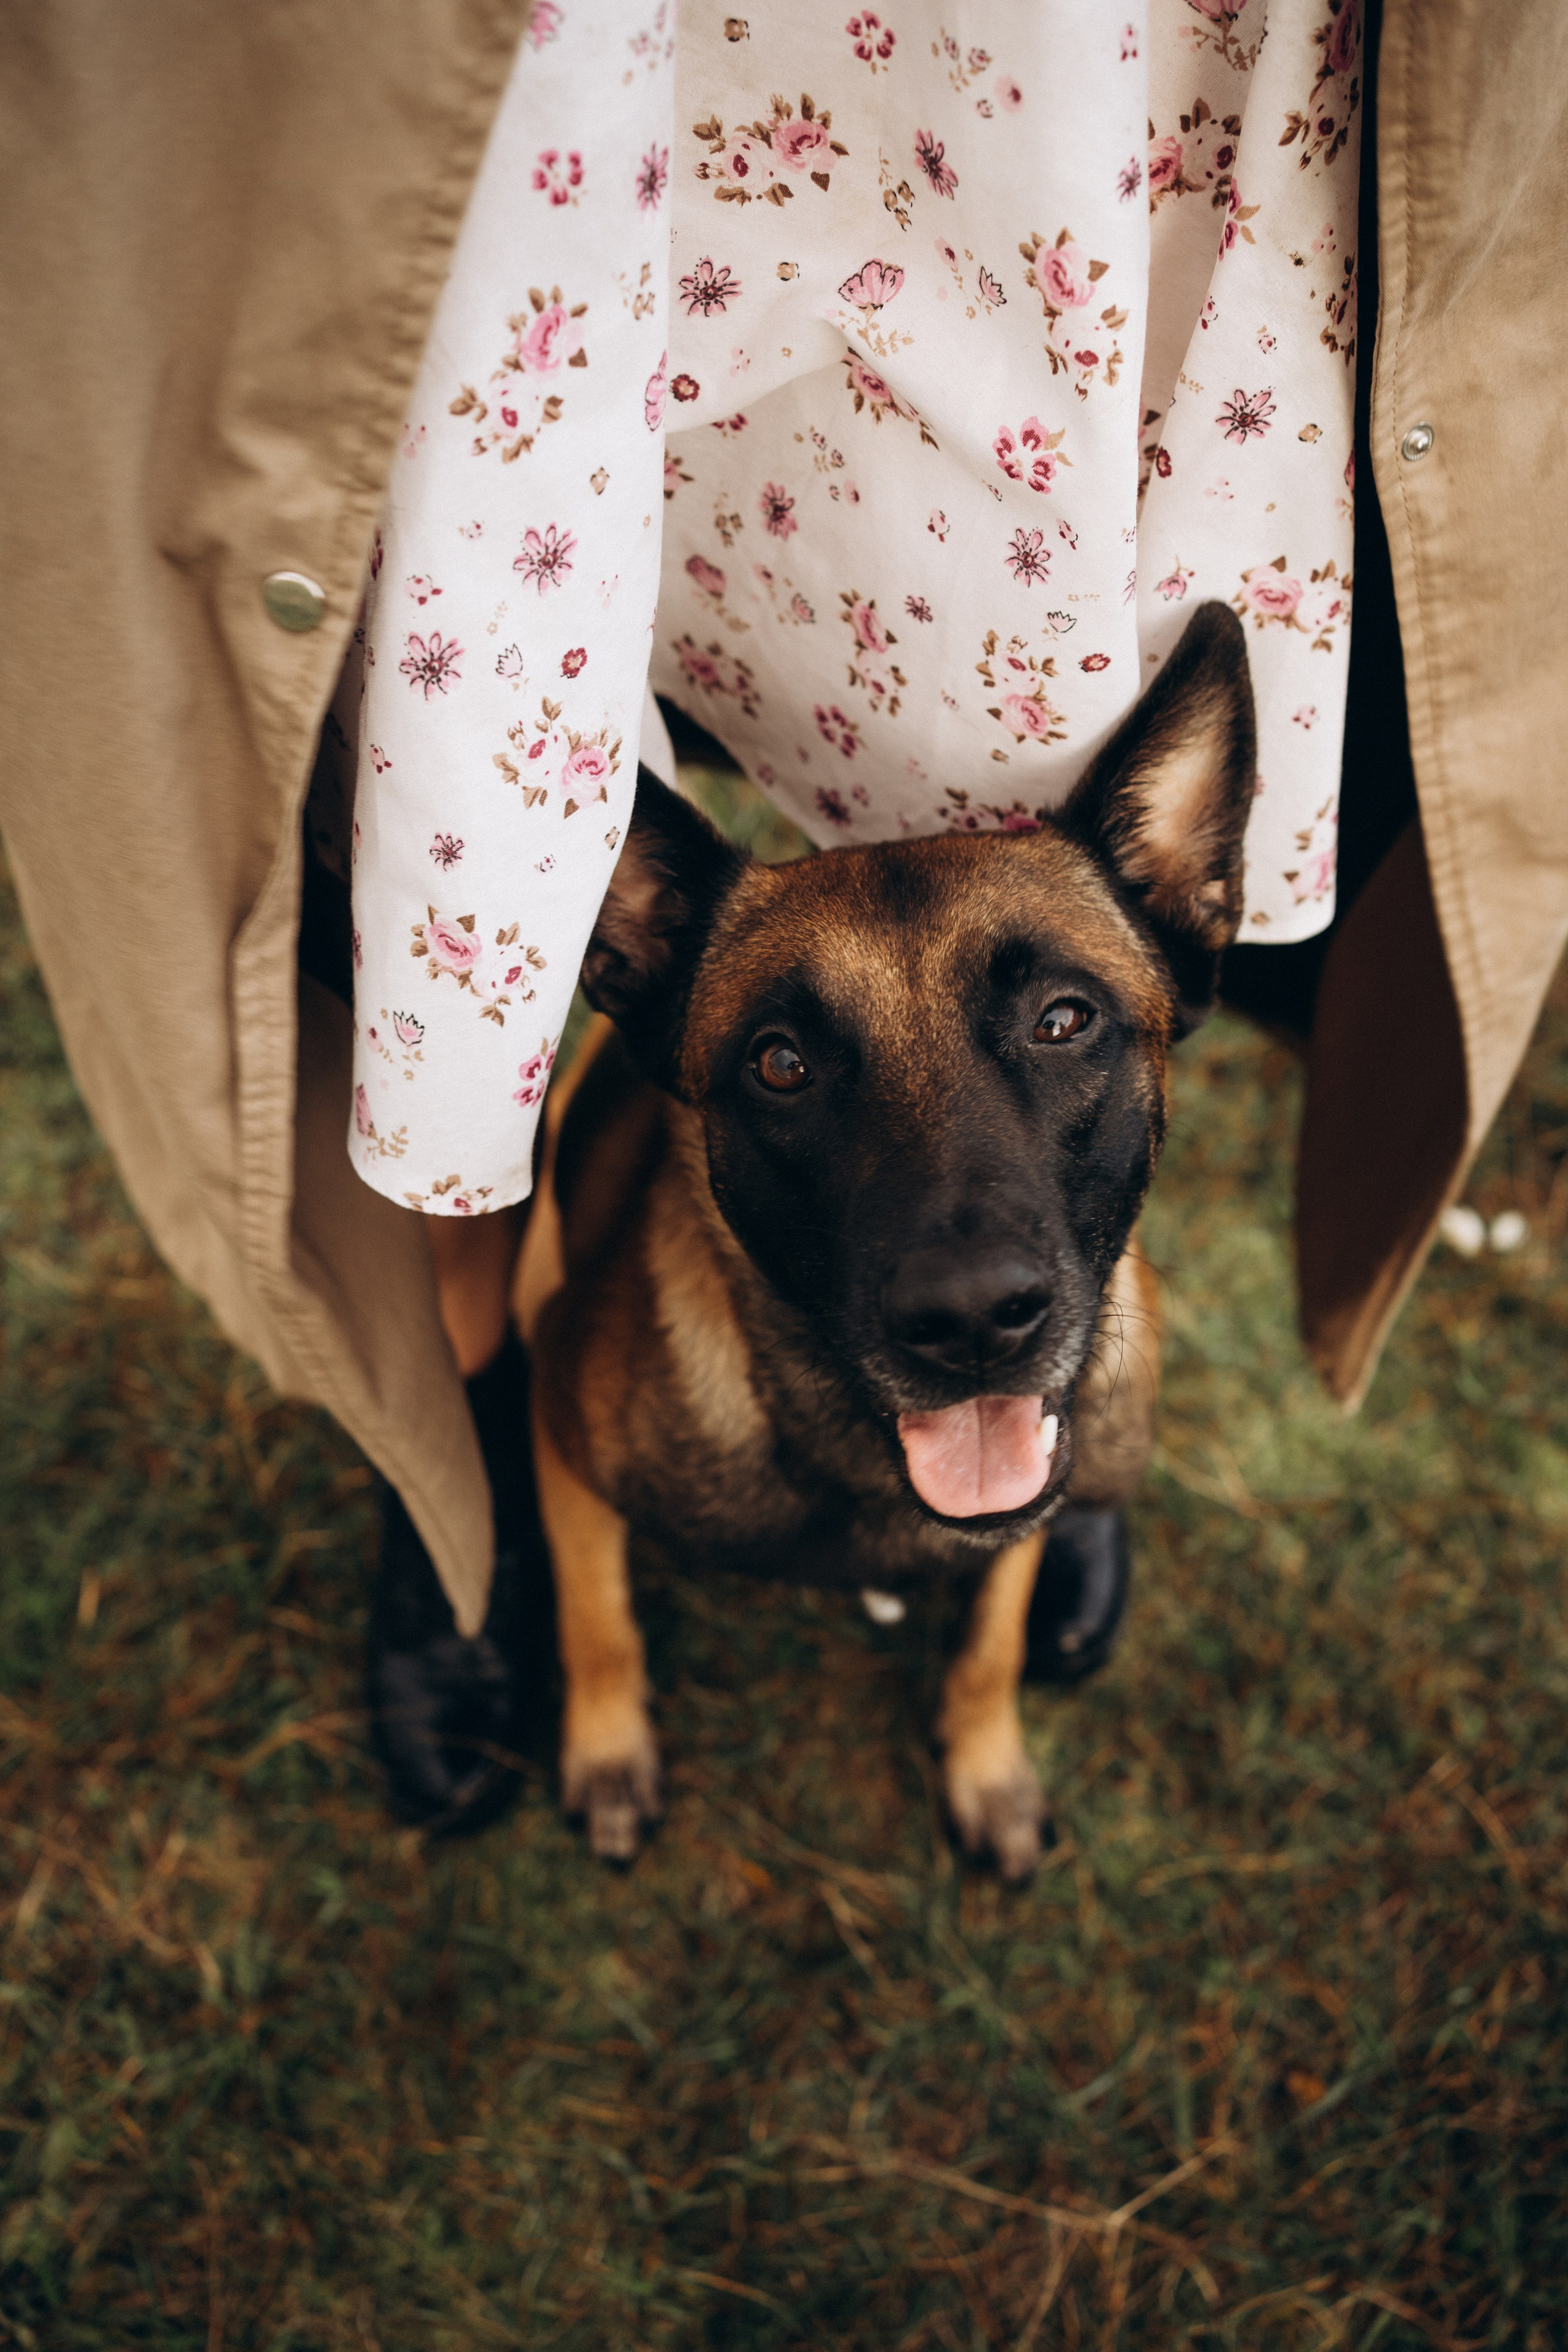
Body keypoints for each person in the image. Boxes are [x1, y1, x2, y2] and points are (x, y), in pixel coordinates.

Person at [2, 0, 1564, 1833]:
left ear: (1175, 912)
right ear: (658, 997)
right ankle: (463, 1507)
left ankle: (1012, 1537)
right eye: (781, 1057)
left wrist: (983, 1725)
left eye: (1063, 1016)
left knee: (1038, 1261)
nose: (970, 1273)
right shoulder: (667, 1408)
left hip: (1031, 184)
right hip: (570, 196)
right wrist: (612, 1692)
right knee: (464, 942)